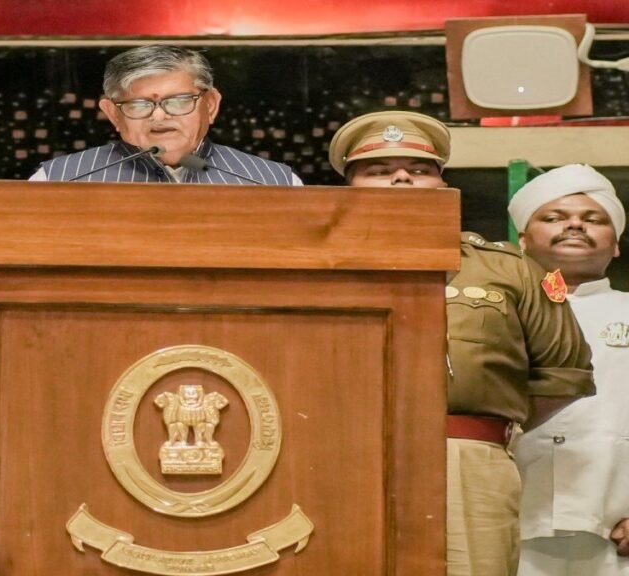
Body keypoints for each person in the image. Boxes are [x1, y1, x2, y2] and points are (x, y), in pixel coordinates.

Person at [329, 111, 595, 576]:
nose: (401, 179)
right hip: (337, 453)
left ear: (444, 184)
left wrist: (478, 428)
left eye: (419, 170)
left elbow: (563, 373)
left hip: (466, 455)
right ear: (348, 188)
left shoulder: (508, 268)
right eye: (378, 170)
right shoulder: (313, 268)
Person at [508, 164, 629, 575]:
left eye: (593, 219)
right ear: (523, 240)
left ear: (616, 244)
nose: (575, 225)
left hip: (614, 527)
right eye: (554, 217)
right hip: (510, 520)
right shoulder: (492, 314)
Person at [30, 44, 302, 185]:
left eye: (179, 101)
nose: (159, 117)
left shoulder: (273, 182)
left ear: (210, 105)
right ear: (113, 114)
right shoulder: (57, 180)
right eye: (139, 105)